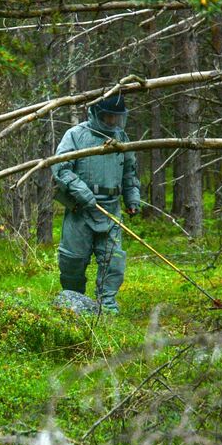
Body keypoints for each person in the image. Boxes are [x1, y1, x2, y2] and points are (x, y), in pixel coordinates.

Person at [51, 93, 141, 314]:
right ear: (96, 113)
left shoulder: (122, 138)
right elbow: (60, 167)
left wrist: (132, 198)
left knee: (113, 261)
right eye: (108, 116)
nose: (112, 121)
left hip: (111, 209)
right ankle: (73, 300)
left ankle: (106, 304)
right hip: (80, 210)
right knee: (73, 260)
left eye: (116, 117)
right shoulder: (75, 135)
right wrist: (81, 191)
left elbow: (129, 172)